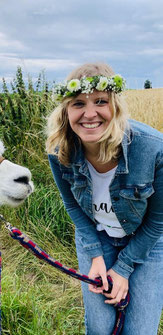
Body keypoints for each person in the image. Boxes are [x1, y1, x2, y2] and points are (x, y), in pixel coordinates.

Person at [46, 63, 163, 335]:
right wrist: (95, 255)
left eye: (101, 102)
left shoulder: (154, 149)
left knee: (139, 330)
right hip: (96, 237)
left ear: (116, 106)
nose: (89, 114)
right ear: (66, 110)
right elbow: (72, 205)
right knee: (100, 327)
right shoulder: (58, 151)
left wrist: (123, 268)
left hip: (149, 240)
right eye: (78, 104)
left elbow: (159, 220)